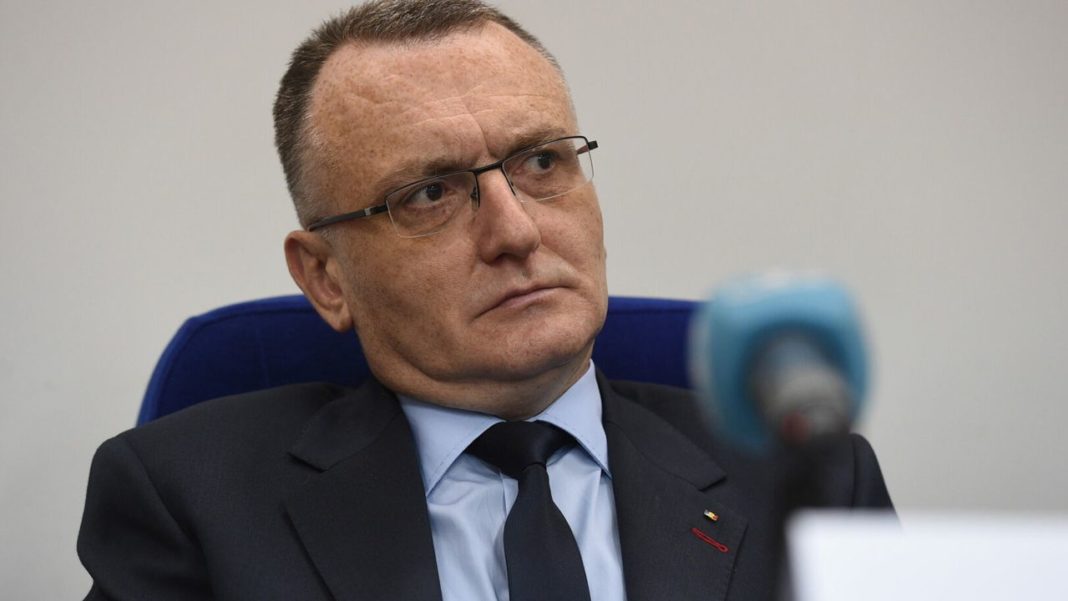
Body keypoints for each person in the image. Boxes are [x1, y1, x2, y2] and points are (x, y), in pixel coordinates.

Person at [77, 1, 893, 600]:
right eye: (430, 192)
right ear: (325, 276)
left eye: (541, 162)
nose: (516, 231)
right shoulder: (187, 499)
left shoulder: (809, 476)